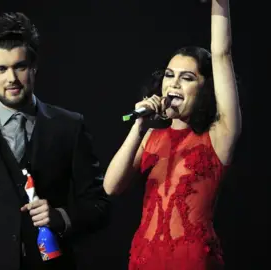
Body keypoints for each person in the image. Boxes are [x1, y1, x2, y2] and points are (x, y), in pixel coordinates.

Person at [0, 12, 110, 270]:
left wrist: (60, 216)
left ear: (33, 66)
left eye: (19, 67)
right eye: (0, 69)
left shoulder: (70, 127)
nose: (11, 78)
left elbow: (99, 206)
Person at [102, 0, 241, 269]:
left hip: (192, 262)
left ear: (204, 89)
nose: (174, 83)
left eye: (187, 77)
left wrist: (220, 3)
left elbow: (221, 53)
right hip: (144, 259)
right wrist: (138, 125)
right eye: (169, 75)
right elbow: (110, 186)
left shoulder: (219, 135)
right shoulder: (150, 136)